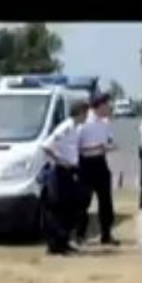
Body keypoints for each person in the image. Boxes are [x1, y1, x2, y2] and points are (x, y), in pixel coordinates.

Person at [40, 99, 88, 256]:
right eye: (85, 112)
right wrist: (60, 161)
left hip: (71, 170)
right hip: (61, 171)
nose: (86, 116)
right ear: (79, 112)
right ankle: (56, 245)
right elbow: (46, 146)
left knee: (70, 208)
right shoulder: (66, 127)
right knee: (59, 208)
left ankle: (64, 242)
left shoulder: (75, 127)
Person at [76, 94, 119, 246]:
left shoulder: (105, 123)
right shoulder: (84, 123)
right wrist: (95, 147)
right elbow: (76, 146)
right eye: (107, 105)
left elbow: (111, 142)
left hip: (100, 163)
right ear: (99, 106)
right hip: (85, 164)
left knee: (106, 200)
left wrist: (106, 147)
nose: (109, 108)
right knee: (83, 202)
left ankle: (106, 234)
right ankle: (79, 235)